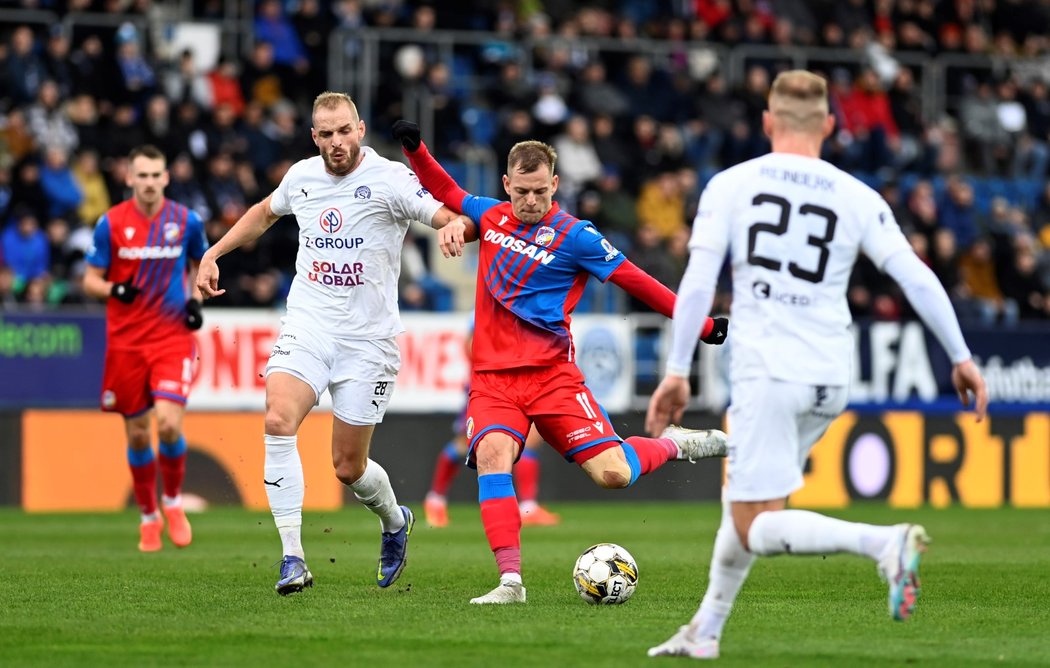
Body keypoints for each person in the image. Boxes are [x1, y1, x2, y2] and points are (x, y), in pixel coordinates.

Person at [644, 70, 989, 660]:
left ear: (766, 123)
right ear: (830, 126)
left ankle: (884, 543)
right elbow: (916, 276)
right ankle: (704, 631)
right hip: (831, 376)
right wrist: (961, 356)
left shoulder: (731, 185)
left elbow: (700, 279)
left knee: (755, 523)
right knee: (745, 505)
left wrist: (677, 369)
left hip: (768, 372)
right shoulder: (856, 196)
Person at [393, 120, 731, 605]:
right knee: (492, 456)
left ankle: (676, 446)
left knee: (613, 474)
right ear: (507, 185)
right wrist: (416, 149)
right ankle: (511, 583)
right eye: (522, 191)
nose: (531, 201)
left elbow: (638, 282)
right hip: (493, 381)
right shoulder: (490, 217)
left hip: (553, 378)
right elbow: (446, 188)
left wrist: (701, 326)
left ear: (555, 184)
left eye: (540, 191)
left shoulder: (578, 237)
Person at [195, 91, 471, 596]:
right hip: (309, 324)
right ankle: (293, 558)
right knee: (278, 419)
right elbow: (263, 211)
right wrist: (214, 252)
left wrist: (454, 226)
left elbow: (442, 213)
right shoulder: (302, 176)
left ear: (360, 129)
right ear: (314, 137)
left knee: (348, 467)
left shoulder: (390, 178)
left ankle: (393, 521)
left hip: (369, 341)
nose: (336, 142)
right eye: (326, 134)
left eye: (345, 131)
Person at [82, 144, 208, 552]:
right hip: (126, 343)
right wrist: (114, 288)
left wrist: (194, 302)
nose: (150, 182)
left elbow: (200, 268)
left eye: (157, 175)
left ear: (166, 178)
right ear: (129, 178)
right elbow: (90, 280)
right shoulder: (111, 223)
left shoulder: (186, 222)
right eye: (143, 175)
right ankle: (148, 515)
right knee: (138, 435)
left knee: (169, 424)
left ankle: (172, 502)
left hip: (171, 338)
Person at [425, 329, 560, 528]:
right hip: (489, 386)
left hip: (511, 384)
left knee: (527, 440)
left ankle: (527, 507)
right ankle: (435, 500)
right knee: (466, 443)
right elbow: (472, 341)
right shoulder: (490, 311)